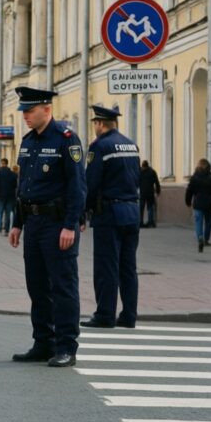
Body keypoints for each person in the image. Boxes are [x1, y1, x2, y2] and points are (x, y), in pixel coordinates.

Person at [8, 87, 87, 368]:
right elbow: (23, 187)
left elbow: (78, 186)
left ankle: (66, 346)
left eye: (30, 111)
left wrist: (71, 225)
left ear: (46, 109)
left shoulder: (67, 139)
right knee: (37, 286)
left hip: (57, 224)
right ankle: (43, 342)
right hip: (33, 223)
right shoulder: (28, 142)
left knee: (63, 286)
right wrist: (17, 223)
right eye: (24, 112)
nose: (25, 116)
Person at [81, 105, 140, 329]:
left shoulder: (100, 146)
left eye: (94, 123)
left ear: (99, 123)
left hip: (109, 214)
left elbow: (91, 183)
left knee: (106, 267)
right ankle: (129, 315)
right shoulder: (131, 144)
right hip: (131, 211)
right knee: (128, 267)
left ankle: (105, 314)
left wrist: (81, 214)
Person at [185, 158, 211, 252]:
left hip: (198, 204)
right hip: (209, 203)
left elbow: (189, 191)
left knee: (198, 222)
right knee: (208, 222)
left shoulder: (194, 177)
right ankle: (206, 240)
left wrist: (188, 202)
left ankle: (200, 238)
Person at [0, 158, 18, 235]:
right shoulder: (13, 174)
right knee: (7, 214)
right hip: (10, 197)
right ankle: (6, 230)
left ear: (1, 163)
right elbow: (15, 186)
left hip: (0, 196)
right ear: (7, 163)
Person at [138, 161, 160, 228]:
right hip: (150, 192)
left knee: (141, 208)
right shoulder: (152, 172)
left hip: (142, 192)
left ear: (143, 166)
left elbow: (137, 181)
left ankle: (140, 222)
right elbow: (156, 182)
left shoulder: (140, 172)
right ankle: (150, 222)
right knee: (150, 207)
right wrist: (158, 191)